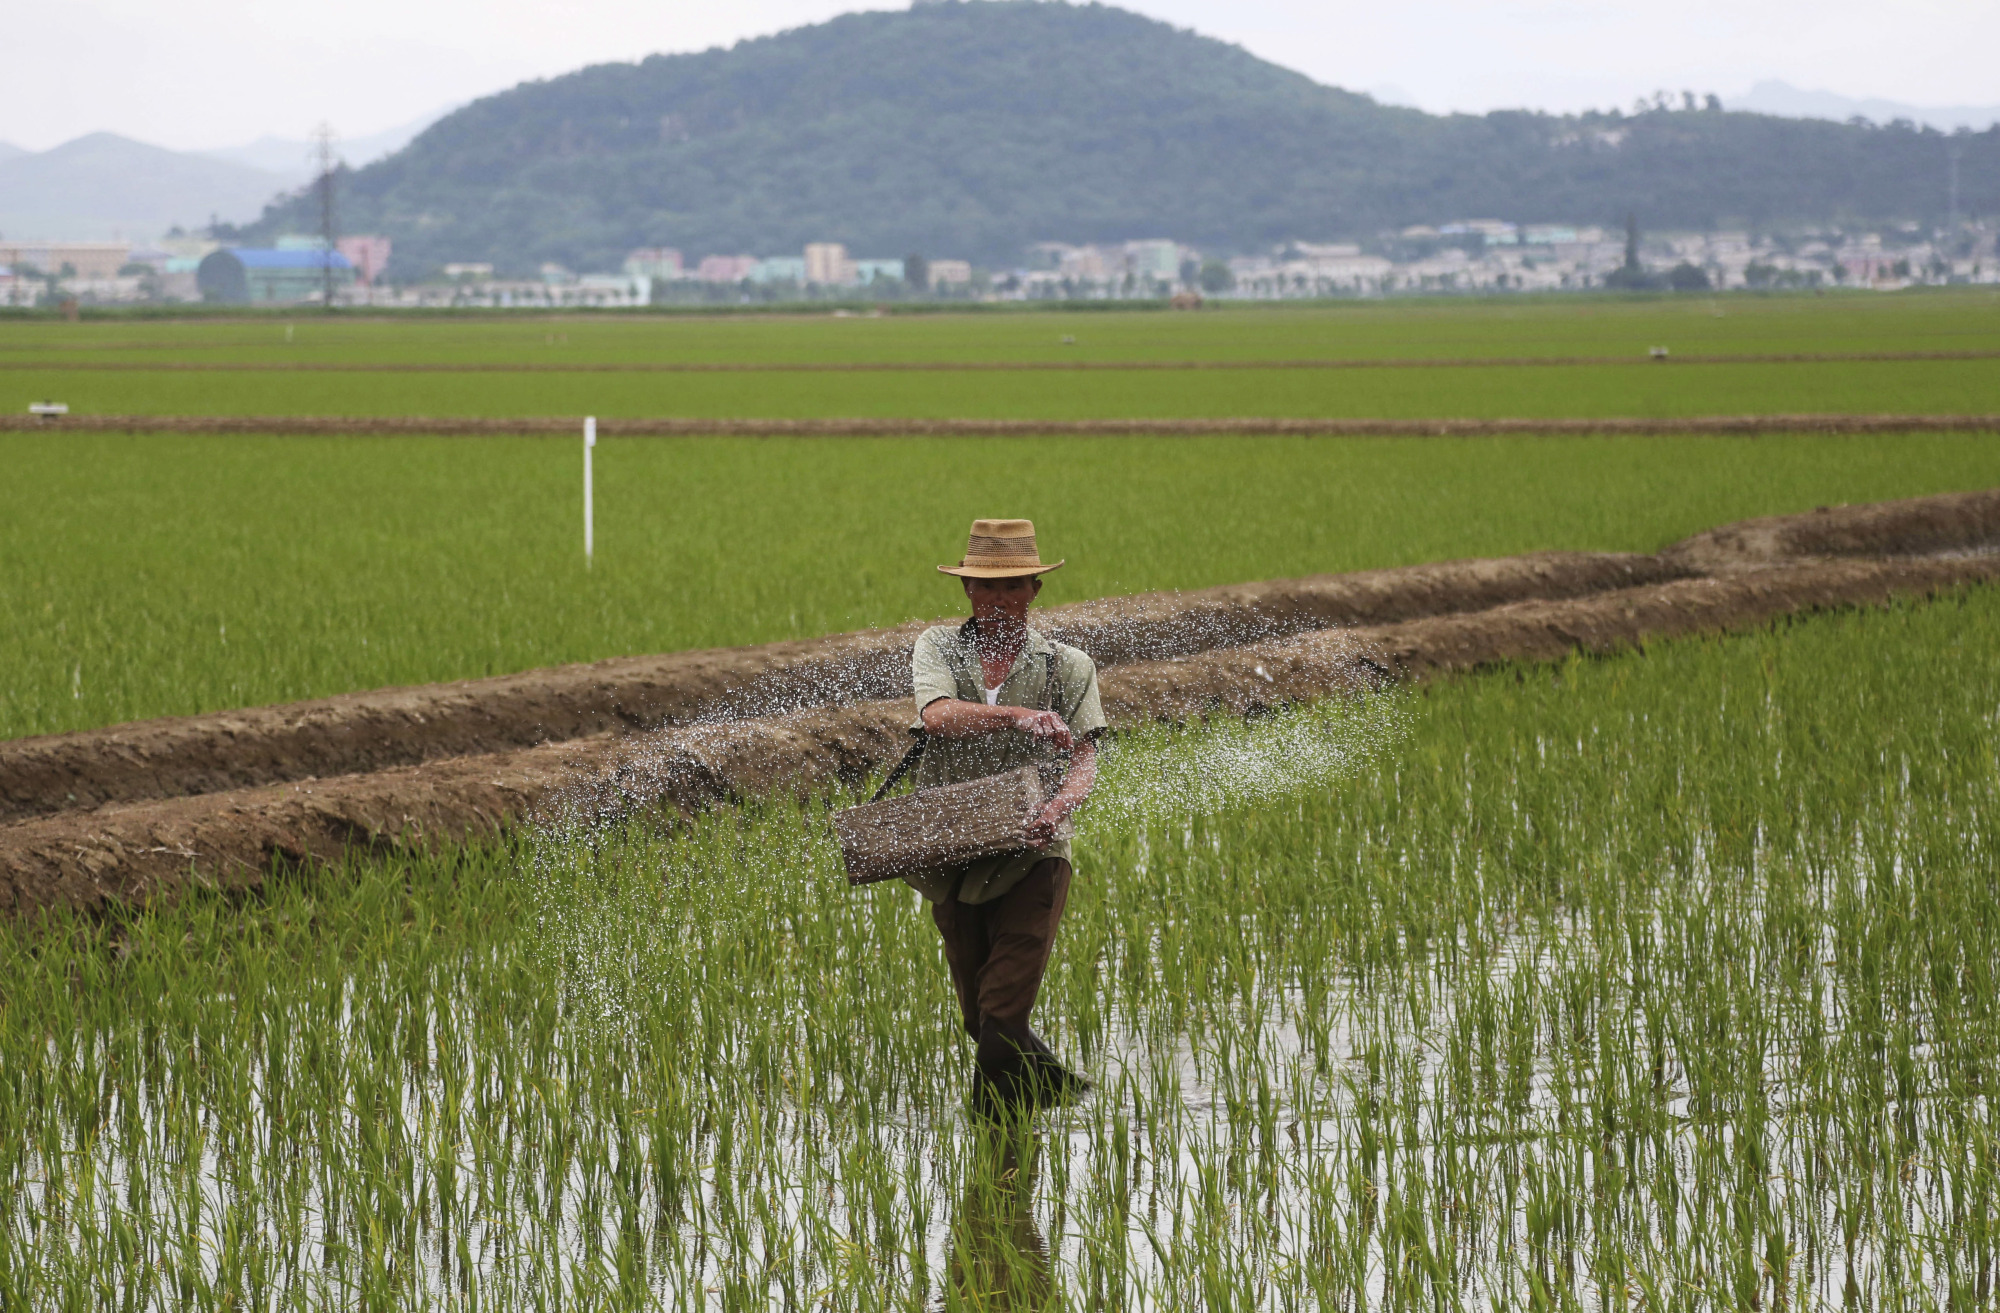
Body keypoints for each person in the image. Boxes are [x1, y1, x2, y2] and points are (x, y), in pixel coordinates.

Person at [906, 518, 1104, 1110]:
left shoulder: (1066, 666)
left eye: (1014, 586)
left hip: (1032, 856)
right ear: (966, 590)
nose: (1000, 599)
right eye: (987, 587)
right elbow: (937, 715)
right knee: (981, 1022)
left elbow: (1086, 760)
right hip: (954, 854)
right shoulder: (938, 647)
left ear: (1035, 591)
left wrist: (1059, 807)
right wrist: (1018, 717)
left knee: (1000, 1019)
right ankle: (1061, 1092)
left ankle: (993, 1152)